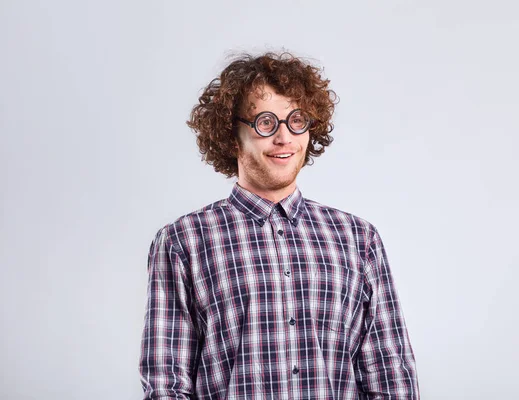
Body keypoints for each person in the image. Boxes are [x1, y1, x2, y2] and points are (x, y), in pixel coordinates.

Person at [139, 52, 420, 399]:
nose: (284, 138)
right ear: (231, 135)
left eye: (296, 120)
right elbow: (168, 385)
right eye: (266, 122)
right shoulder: (183, 242)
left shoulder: (358, 239)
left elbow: (390, 377)